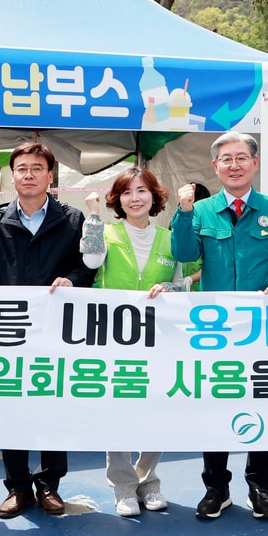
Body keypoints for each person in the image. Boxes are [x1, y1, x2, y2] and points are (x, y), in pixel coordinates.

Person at [170, 131, 268, 520]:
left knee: (260, 402)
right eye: (225, 159)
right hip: (214, 330)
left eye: (242, 158)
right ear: (215, 166)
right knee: (218, 405)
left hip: (261, 328)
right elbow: (185, 255)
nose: (234, 165)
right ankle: (216, 488)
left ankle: (260, 486)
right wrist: (183, 213)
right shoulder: (202, 210)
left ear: (255, 164)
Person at [0, 141, 94, 519]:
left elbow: (89, 267)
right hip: (10, 329)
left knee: (53, 405)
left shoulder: (73, 219)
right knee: (11, 408)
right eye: (22, 168)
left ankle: (49, 485)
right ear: (12, 175)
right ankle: (17, 487)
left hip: (56, 329)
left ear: (51, 176)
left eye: (37, 168)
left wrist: (72, 280)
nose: (29, 174)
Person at [80, 166, 186, 517]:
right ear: (118, 199)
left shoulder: (170, 238)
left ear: (154, 196)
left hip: (158, 338)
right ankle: (124, 487)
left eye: (142, 191)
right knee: (118, 412)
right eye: (127, 192)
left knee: (158, 410)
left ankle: (149, 480)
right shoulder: (105, 231)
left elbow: (181, 285)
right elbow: (91, 260)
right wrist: (93, 217)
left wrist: (169, 289)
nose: (135, 198)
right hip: (114, 338)